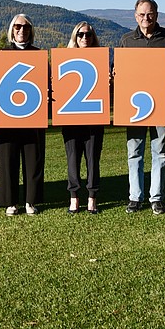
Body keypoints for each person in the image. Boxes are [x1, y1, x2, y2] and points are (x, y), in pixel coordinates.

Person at [118, 0, 165, 215]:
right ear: (136, 16)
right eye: (142, 14)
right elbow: (120, 72)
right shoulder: (127, 40)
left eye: (150, 13)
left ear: (157, 14)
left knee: (160, 151)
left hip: (160, 103)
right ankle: (135, 197)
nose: (146, 18)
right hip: (134, 106)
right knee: (134, 151)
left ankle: (156, 197)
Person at [0, 14, 46, 215]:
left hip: (33, 112)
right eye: (17, 27)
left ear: (31, 31)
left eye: (25, 27)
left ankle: (30, 201)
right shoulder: (2, 54)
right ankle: (11, 201)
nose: (21, 30)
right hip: (7, 113)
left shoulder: (38, 54)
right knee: (8, 157)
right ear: (11, 30)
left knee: (33, 157)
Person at [61, 22, 104, 214]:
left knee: (93, 159)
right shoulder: (65, 59)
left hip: (94, 118)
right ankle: (74, 197)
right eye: (80, 35)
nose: (84, 38)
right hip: (71, 118)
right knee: (72, 159)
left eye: (88, 35)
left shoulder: (101, 59)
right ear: (74, 37)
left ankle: (92, 197)